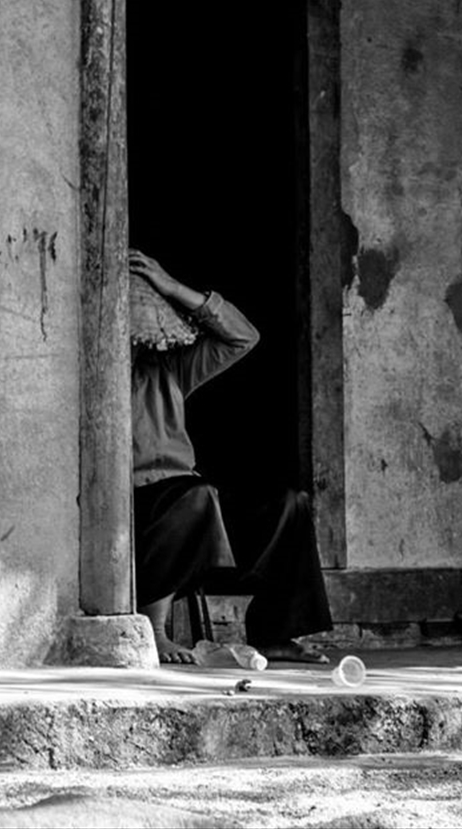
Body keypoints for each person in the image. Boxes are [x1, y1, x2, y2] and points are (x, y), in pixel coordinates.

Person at [130, 249, 333, 664]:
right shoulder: (90, 373)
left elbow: (243, 336)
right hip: (137, 515)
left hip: (192, 517)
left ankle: (275, 633)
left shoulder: (168, 366)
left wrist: (171, 287)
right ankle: (154, 629)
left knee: (289, 506)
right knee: (195, 495)